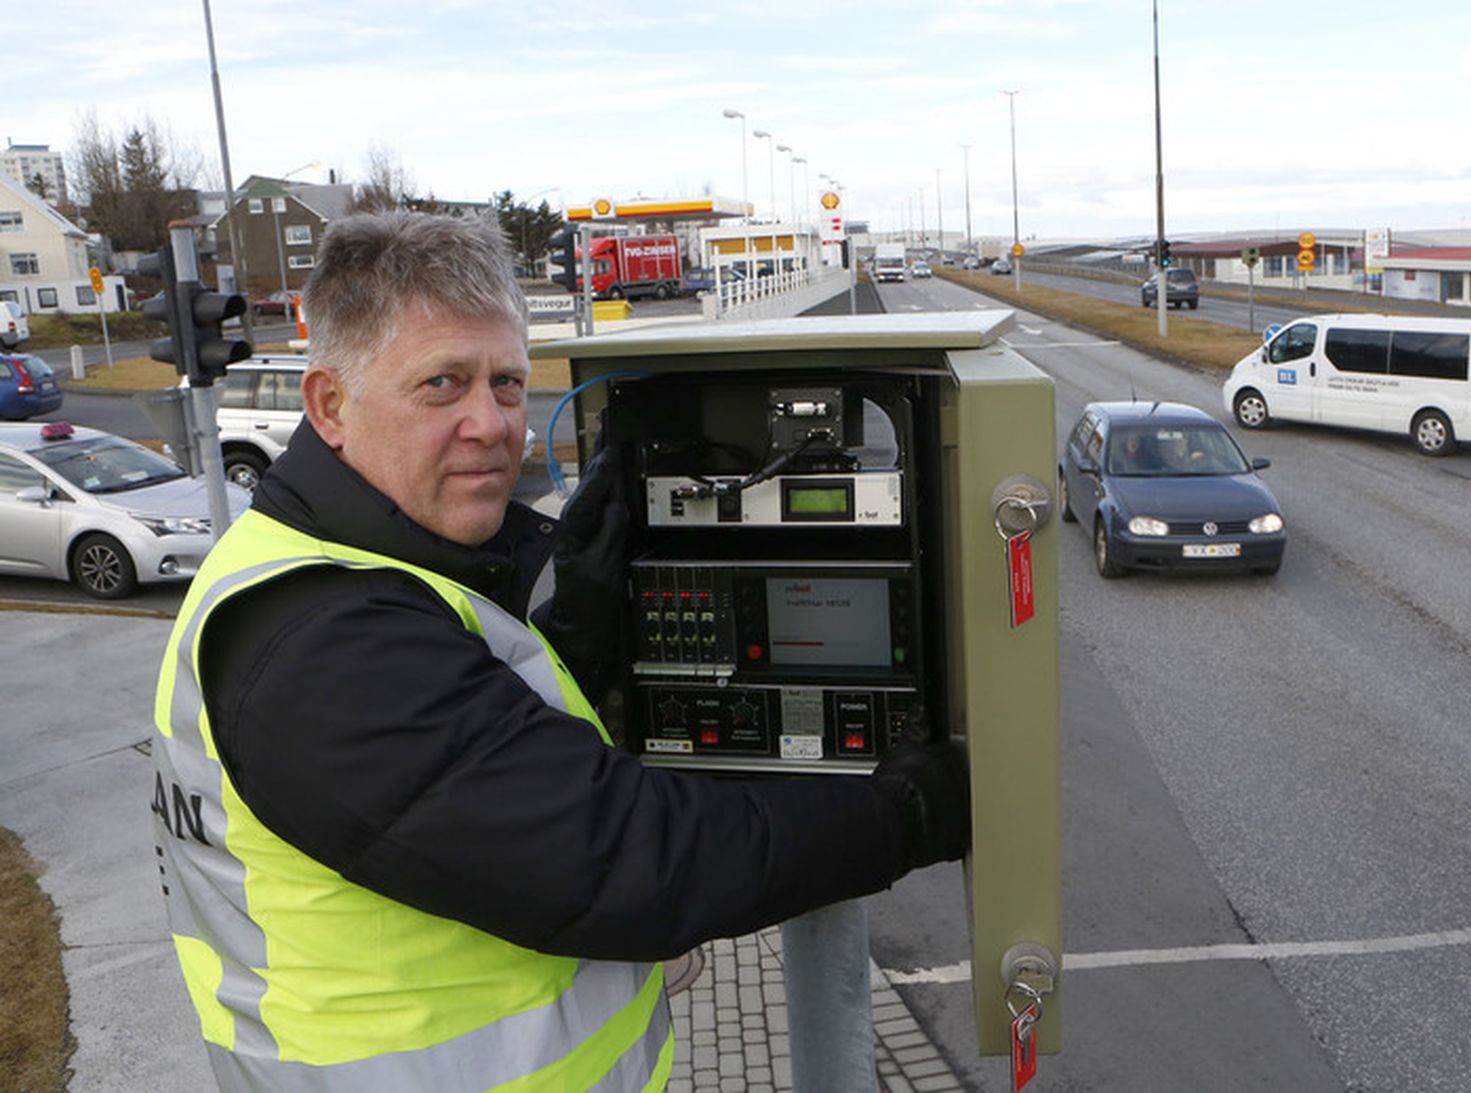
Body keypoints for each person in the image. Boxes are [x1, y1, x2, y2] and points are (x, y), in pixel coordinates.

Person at [150, 212, 970, 1092]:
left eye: (506, 383)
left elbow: (471, 769)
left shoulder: (372, 573)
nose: (492, 424)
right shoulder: (319, 644)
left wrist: (576, 631)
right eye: (441, 384)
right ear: (331, 405)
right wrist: (904, 818)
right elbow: (629, 862)